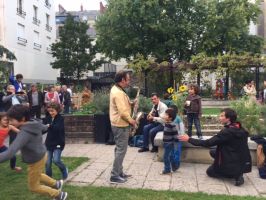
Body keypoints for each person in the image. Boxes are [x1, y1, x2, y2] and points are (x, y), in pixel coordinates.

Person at [0, 105, 68, 199]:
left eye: (11, 120)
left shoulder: (24, 133)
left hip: (36, 159)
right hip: (40, 156)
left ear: (22, 119)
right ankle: (56, 184)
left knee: (34, 187)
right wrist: (46, 126)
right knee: (37, 174)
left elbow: (10, 152)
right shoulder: (34, 122)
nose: (10, 123)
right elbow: (44, 128)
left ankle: (59, 195)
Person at [179, 108, 252, 186]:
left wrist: (189, 139)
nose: (219, 117)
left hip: (231, 160)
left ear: (228, 118)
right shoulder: (240, 128)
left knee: (209, 172)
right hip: (242, 160)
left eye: (221, 116)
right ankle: (235, 172)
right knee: (213, 151)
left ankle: (233, 173)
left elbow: (208, 143)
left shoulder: (227, 132)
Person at [109, 70, 136, 184]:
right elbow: (123, 113)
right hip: (121, 124)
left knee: (118, 149)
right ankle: (114, 176)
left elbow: (122, 105)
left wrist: (131, 103)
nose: (129, 81)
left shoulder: (116, 89)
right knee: (121, 150)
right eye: (128, 79)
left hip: (117, 123)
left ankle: (119, 172)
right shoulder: (118, 93)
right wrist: (132, 121)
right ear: (122, 80)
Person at [43, 102, 68, 180]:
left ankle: (64, 169)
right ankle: (49, 179)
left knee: (56, 160)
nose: (51, 113)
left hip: (58, 143)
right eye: (49, 111)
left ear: (57, 110)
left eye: (52, 111)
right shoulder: (47, 118)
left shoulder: (60, 118)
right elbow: (44, 129)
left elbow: (58, 128)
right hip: (49, 143)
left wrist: (50, 126)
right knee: (47, 163)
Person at [161, 108, 179, 174]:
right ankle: (174, 167)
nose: (164, 116)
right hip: (166, 143)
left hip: (169, 143)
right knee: (171, 156)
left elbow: (175, 135)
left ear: (170, 117)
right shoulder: (166, 123)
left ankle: (167, 169)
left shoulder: (172, 125)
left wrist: (175, 143)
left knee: (165, 157)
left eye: (166, 115)